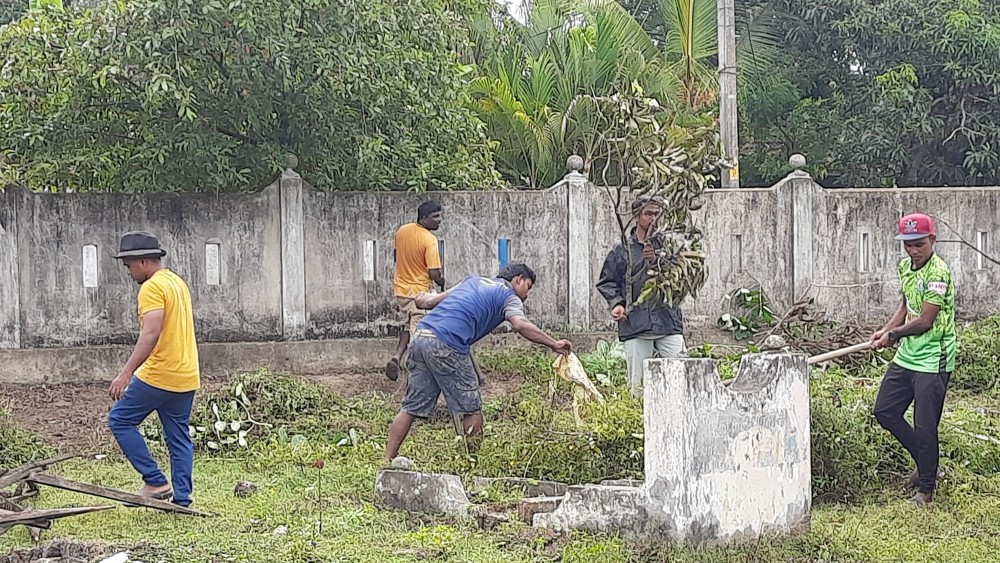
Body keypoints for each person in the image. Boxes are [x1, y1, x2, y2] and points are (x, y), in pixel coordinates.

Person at [385, 263, 572, 461]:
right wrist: (554, 344)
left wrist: (421, 297)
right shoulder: (510, 296)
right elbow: (520, 324)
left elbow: (427, 303)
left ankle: (387, 461)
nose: (527, 295)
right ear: (518, 279)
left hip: (420, 337)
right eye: (528, 286)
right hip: (448, 344)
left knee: (410, 408)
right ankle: (472, 465)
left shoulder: (471, 281)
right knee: (471, 408)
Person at [107, 231, 200, 507]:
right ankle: (182, 500)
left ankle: (155, 481)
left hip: (160, 374)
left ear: (144, 262)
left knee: (120, 420)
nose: (128, 272)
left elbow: (151, 334)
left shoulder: (151, 288)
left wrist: (126, 373)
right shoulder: (176, 282)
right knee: (178, 437)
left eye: (129, 266)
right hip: (186, 375)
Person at [871, 212, 956, 506]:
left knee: (924, 425)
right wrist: (884, 329)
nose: (913, 251)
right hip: (908, 357)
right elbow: (906, 306)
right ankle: (925, 463)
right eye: (908, 245)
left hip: (934, 358)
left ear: (932, 240)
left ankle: (926, 490)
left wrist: (893, 335)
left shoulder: (938, 273)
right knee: (885, 411)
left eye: (918, 244)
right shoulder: (906, 268)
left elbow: (925, 320)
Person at [596, 197, 686, 397]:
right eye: (648, 214)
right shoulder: (622, 249)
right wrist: (617, 304)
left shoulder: (669, 247)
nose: (653, 219)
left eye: (657, 214)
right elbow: (607, 281)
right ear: (637, 216)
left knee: (681, 377)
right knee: (637, 386)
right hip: (635, 323)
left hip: (668, 321)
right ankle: (638, 422)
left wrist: (658, 262)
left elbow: (680, 279)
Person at [387, 201, 445, 381]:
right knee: (419, 335)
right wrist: (442, 281)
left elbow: (396, 256)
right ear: (424, 218)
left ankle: (397, 356)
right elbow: (433, 272)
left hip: (401, 290)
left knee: (407, 325)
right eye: (435, 217)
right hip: (421, 294)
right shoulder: (429, 240)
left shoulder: (402, 231)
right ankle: (415, 374)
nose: (439, 220)